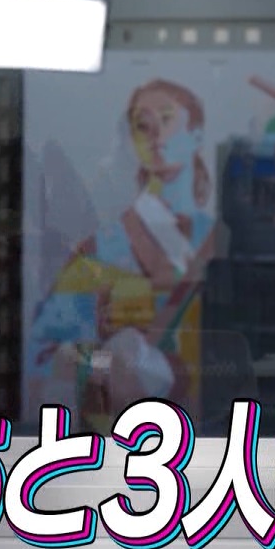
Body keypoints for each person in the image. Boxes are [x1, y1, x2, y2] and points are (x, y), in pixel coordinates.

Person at [28, 78, 218, 431]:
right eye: (142, 128)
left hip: (206, 440)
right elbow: (49, 361)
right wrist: (101, 359)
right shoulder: (93, 253)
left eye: (166, 122)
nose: (155, 139)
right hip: (107, 440)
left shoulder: (214, 245)